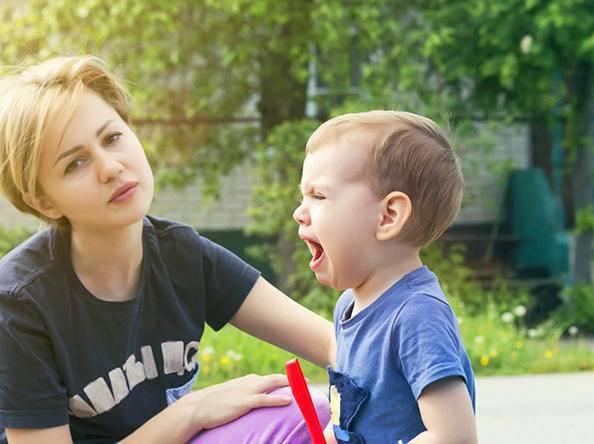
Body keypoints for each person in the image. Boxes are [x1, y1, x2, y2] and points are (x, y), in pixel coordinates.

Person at [0, 55, 333, 443]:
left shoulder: (181, 254)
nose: (110, 167)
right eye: (75, 163)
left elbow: (330, 343)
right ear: (44, 203)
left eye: (112, 137)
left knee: (307, 410)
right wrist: (190, 412)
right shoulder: (18, 304)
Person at [293, 111, 478, 444]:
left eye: (318, 196)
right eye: (302, 197)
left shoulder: (417, 316)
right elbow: (353, 416)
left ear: (388, 216)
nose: (299, 212)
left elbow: (455, 436)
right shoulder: (349, 306)